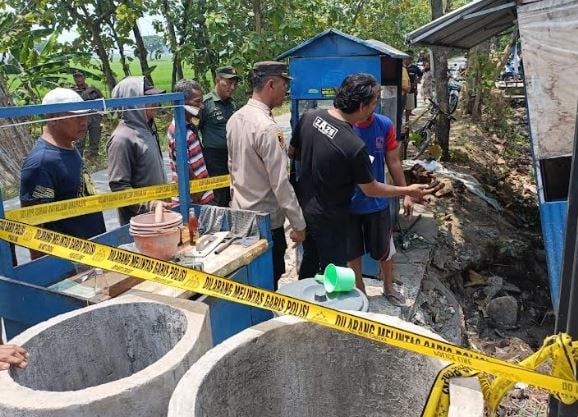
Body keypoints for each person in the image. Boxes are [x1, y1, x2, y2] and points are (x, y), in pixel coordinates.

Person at [289, 73, 433, 279]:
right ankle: (326, 310)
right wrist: (407, 190)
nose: (375, 106)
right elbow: (371, 188)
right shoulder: (353, 145)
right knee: (333, 275)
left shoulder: (310, 117)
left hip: (305, 212)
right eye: (374, 102)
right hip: (333, 219)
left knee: (309, 262)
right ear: (363, 107)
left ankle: (300, 306)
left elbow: (292, 152)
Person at [227, 62, 306, 289]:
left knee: (250, 279)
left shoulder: (236, 118)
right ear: (271, 84)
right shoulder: (267, 128)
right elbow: (280, 183)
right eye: (284, 85)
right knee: (269, 278)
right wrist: (298, 224)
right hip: (265, 222)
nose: (286, 92)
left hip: (241, 215)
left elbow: (232, 168)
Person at [20, 87, 106, 259]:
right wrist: (51, 275)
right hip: (70, 265)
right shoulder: (41, 163)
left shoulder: (69, 146)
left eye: (85, 115)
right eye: (75, 116)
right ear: (52, 118)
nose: (83, 121)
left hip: (93, 254)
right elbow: (36, 229)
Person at [348, 111, 413, 304]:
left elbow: (393, 160)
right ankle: (360, 290)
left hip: (377, 201)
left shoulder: (384, 124)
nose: (372, 106)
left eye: (376, 99)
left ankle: (388, 287)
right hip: (349, 202)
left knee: (385, 249)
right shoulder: (345, 126)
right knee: (352, 250)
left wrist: (406, 193)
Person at [107, 76, 167, 225]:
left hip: (159, 217)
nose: (155, 102)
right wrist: (149, 204)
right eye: (148, 98)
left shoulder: (146, 130)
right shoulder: (122, 139)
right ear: (133, 101)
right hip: (140, 225)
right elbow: (119, 187)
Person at [168, 80, 214, 205]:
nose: (202, 106)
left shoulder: (188, 125)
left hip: (201, 198)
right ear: (182, 103)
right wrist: (197, 194)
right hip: (193, 202)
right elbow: (184, 167)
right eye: (197, 102)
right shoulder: (179, 131)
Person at [200, 66, 241, 207]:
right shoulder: (206, 104)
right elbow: (193, 131)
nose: (232, 87)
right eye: (228, 83)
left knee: (232, 193)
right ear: (217, 80)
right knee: (219, 195)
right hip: (214, 158)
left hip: (232, 155)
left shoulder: (231, 104)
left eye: (234, 84)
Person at [71, 70, 104, 162]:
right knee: (79, 142)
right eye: (76, 77)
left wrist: (100, 116)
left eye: (80, 76)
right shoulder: (72, 91)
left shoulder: (94, 89)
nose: (78, 79)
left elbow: (103, 102)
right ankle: (78, 162)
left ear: (84, 77)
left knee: (95, 140)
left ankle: (94, 161)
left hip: (94, 118)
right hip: (79, 119)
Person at [404, 53, 423, 123]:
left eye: (407, 59)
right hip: (401, 90)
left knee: (409, 106)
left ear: (410, 60)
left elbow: (420, 75)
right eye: (405, 59)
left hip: (411, 90)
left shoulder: (415, 67)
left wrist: (415, 83)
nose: (406, 60)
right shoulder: (401, 67)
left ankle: (407, 121)